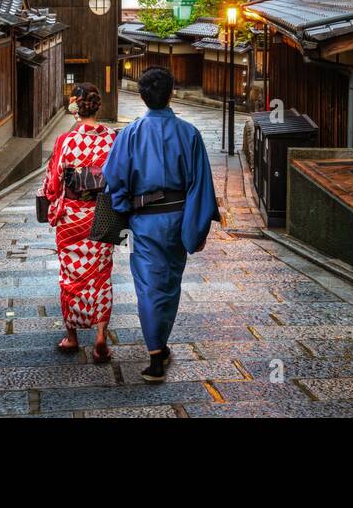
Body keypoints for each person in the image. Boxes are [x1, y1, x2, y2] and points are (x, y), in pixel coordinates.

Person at [104, 67, 219, 382]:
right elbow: (200, 184)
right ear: (171, 94)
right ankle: (159, 346)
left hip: (144, 221)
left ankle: (156, 353)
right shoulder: (189, 133)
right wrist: (197, 228)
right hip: (179, 218)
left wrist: (124, 208)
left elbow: (114, 177)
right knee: (169, 284)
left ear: (142, 97)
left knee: (148, 286)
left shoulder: (130, 133)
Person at [41, 84, 117, 362]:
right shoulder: (112, 138)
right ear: (97, 106)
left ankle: (72, 337)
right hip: (102, 215)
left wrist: (53, 197)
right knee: (101, 275)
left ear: (76, 108)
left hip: (72, 217)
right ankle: (100, 337)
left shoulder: (66, 141)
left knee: (70, 275)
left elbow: (53, 184)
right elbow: (120, 177)